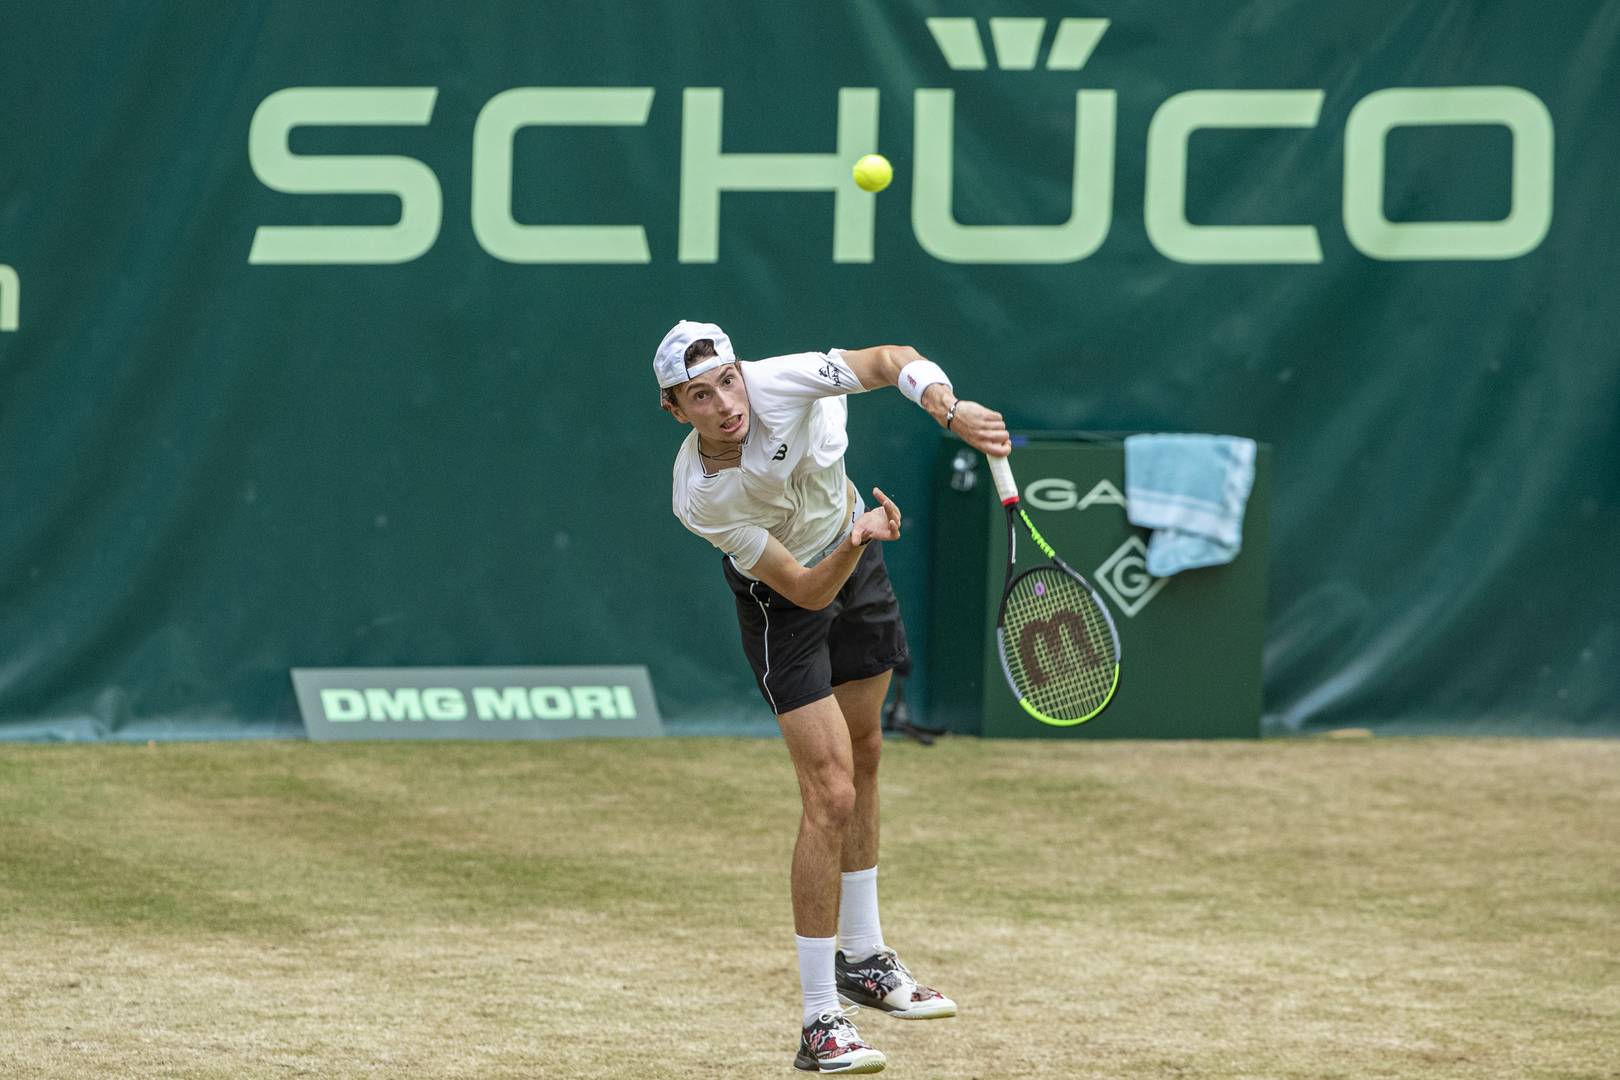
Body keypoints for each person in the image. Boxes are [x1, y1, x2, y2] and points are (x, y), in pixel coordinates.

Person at [655, 320, 1011, 1073]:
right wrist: (856, 541)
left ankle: (867, 958)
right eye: (700, 394)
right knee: (830, 794)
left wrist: (952, 410)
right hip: (789, 601)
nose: (725, 402)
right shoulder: (703, 497)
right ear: (676, 410)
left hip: (857, 553)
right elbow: (805, 588)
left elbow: (891, 359)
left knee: (868, 754)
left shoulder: (780, 381)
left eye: (727, 379)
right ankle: (820, 1022)